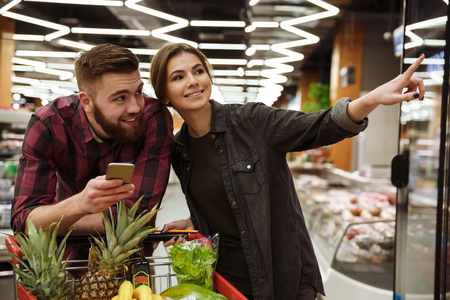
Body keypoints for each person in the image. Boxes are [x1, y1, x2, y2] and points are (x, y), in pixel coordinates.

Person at [151, 42, 425, 300]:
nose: (193, 81)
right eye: (178, 77)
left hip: (282, 276)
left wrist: (372, 99)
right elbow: (227, 200)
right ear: (163, 94)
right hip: (227, 279)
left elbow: (319, 125)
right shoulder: (179, 151)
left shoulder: (251, 121)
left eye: (198, 71)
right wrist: (194, 222)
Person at [10, 44, 172, 252]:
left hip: (130, 259)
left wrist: (59, 222)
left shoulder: (152, 118)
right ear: (87, 101)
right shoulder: (49, 124)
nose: (135, 107)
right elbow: (24, 221)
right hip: (66, 261)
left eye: (138, 92)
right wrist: (80, 204)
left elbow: (137, 217)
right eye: (120, 97)